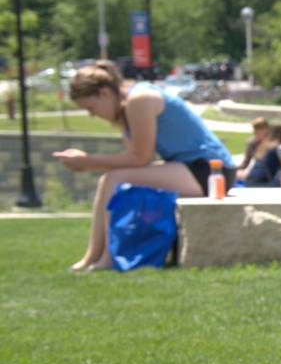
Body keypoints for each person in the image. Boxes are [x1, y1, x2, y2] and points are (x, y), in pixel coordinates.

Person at [54, 60, 235, 271]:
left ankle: (107, 258)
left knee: (114, 178)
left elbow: (140, 158)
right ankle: (91, 257)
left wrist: (87, 162)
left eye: (91, 108)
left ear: (104, 93)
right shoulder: (127, 107)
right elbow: (135, 158)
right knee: (110, 179)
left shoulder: (140, 99)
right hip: (188, 167)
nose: (92, 115)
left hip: (209, 170)